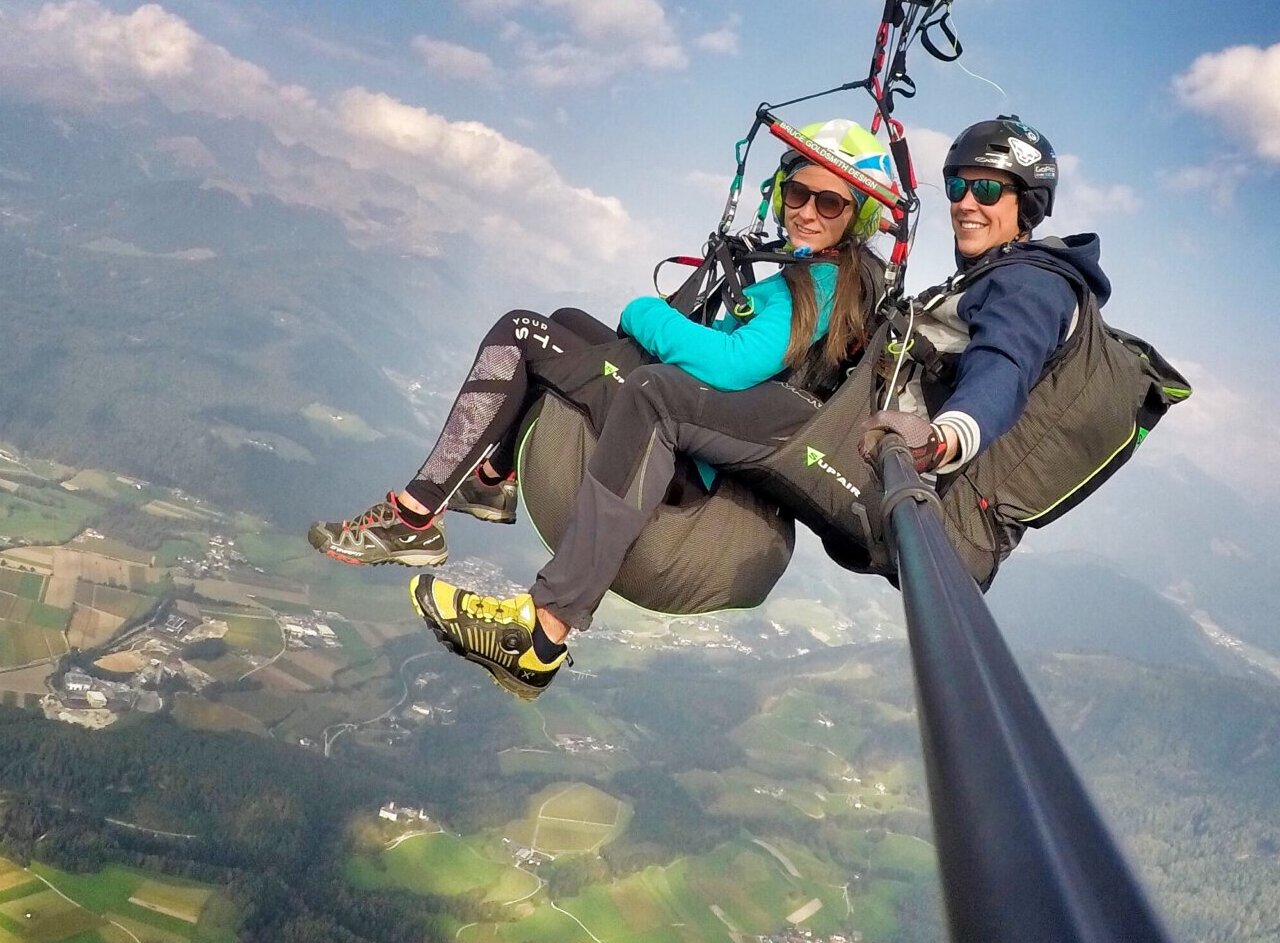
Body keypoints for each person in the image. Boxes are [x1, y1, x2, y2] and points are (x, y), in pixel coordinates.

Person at [308, 119, 893, 700]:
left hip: (697, 458)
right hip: (714, 434)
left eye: (830, 202)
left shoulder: (816, 286)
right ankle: (489, 477)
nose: (808, 211)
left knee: (523, 334)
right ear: (780, 190)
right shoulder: (829, 279)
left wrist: (645, 312)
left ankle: (417, 520)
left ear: (856, 218)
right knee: (566, 322)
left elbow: (730, 365)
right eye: (798, 193)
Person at [859, 114, 1110, 488]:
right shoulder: (988, 276)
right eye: (957, 187)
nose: (965, 203)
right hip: (879, 452)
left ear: (1028, 205)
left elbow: (1005, 364)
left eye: (987, 190)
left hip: (908, 480)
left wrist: (942, 440)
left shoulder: (1032, 285)